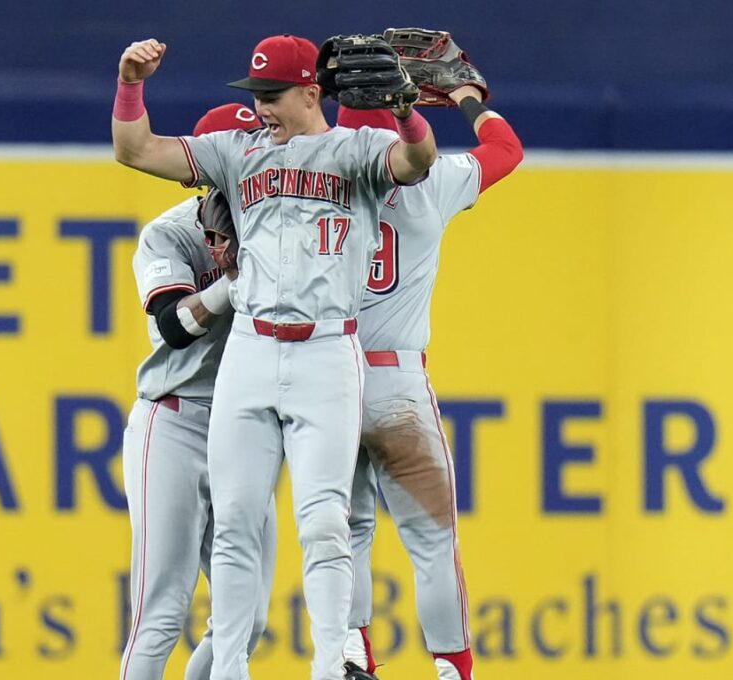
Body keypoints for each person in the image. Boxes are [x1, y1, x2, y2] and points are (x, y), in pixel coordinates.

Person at [111, 34, 437, 680]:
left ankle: (328, 665)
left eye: (272, 94)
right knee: (233, 525)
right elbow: (135, 149)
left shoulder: (354, 152)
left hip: (325, 350)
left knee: (323, 521)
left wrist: (406, 109)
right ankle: (229, 672)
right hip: (249, 354)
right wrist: (130, 84)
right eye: (255, 95)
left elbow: (418, 161)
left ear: (313, 92)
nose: (260, 107)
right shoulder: (237, 156)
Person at [335, 82, 523, 680]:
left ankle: (351, 652)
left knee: (345, 533)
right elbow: (507, 149)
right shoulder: (433, 180)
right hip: (398, 385)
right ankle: (450, 670)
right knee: (432, 543)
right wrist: (467, 98)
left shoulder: (318, 183)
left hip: (329, 376)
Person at [118, 103, 278, 680]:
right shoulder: (172, 232)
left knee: (250, 616)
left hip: (246, 425)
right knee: (161, 609)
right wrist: (231, 287)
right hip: (175, 419)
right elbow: (171, 327)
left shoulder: (285, 229)